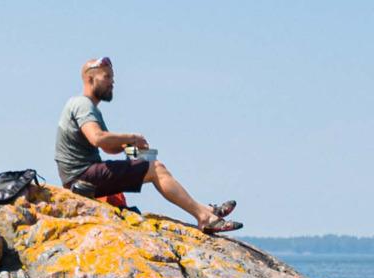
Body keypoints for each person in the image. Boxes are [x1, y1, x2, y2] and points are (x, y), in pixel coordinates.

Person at [54, 57, 239, 233]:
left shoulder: (89, 108)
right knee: (156, 169)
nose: (112, 82)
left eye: (113, 77)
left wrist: (132, 147)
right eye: (107, 76)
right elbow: (98, 138)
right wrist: (132, 137)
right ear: (90, 78)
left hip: (83, 176)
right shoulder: (82, 104)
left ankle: (206, 210)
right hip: (82, 177)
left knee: (154, 166)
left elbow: (108, 147)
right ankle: (204, 217)